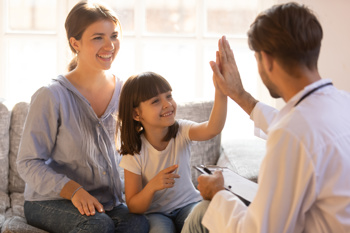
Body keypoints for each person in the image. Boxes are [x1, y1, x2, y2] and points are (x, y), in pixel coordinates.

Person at [182, 2, 350, 233]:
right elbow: (300, 129)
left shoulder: (292, 133)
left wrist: (218, 193)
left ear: (267, 59)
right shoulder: (342, 103)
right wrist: (239, 95)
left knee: (201, 216)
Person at [16, 1, 149, 232]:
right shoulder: (51, 95)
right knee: (97, 225)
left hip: (107, 201)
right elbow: (27, 163)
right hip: (50, 201)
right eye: (98, 37)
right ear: (75, 43)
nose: (110, 45)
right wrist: (74, 191)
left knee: (137, 222)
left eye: (114, 36)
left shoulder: (125, 91)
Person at [117, 71, 227, 233]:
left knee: (205, 213)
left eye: (168, 96)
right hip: (156, 214)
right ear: (136, 114)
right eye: (155, 101)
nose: (167, 104)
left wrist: (221, 92)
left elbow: (213, 128)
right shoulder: (133, 151)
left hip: (189, 204)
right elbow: (133, 206)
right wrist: (152, 186)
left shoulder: (182, 130)